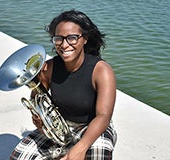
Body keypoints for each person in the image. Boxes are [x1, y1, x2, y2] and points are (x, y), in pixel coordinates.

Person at [10, 10, 117, 160]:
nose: (64, 45)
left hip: (91, 126)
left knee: (98, 156)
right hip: (61, 126)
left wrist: (80, 149)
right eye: (58, 39)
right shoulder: (49, 67)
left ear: (84, 39)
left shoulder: (101, 70)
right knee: (18, 157)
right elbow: (37, 100)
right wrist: (40, 119)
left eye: (72, 38)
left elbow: (103, 116)